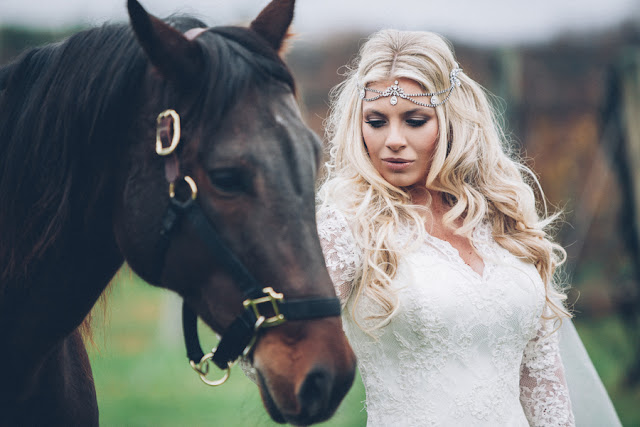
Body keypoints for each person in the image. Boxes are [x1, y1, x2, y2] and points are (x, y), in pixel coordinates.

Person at [316, 29, 575, 426]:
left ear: (452, 120)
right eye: (376, 121)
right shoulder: (347, 222)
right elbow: (284, 344)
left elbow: (541, 378)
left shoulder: (505, 216)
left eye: (415, 120)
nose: (394, 140)